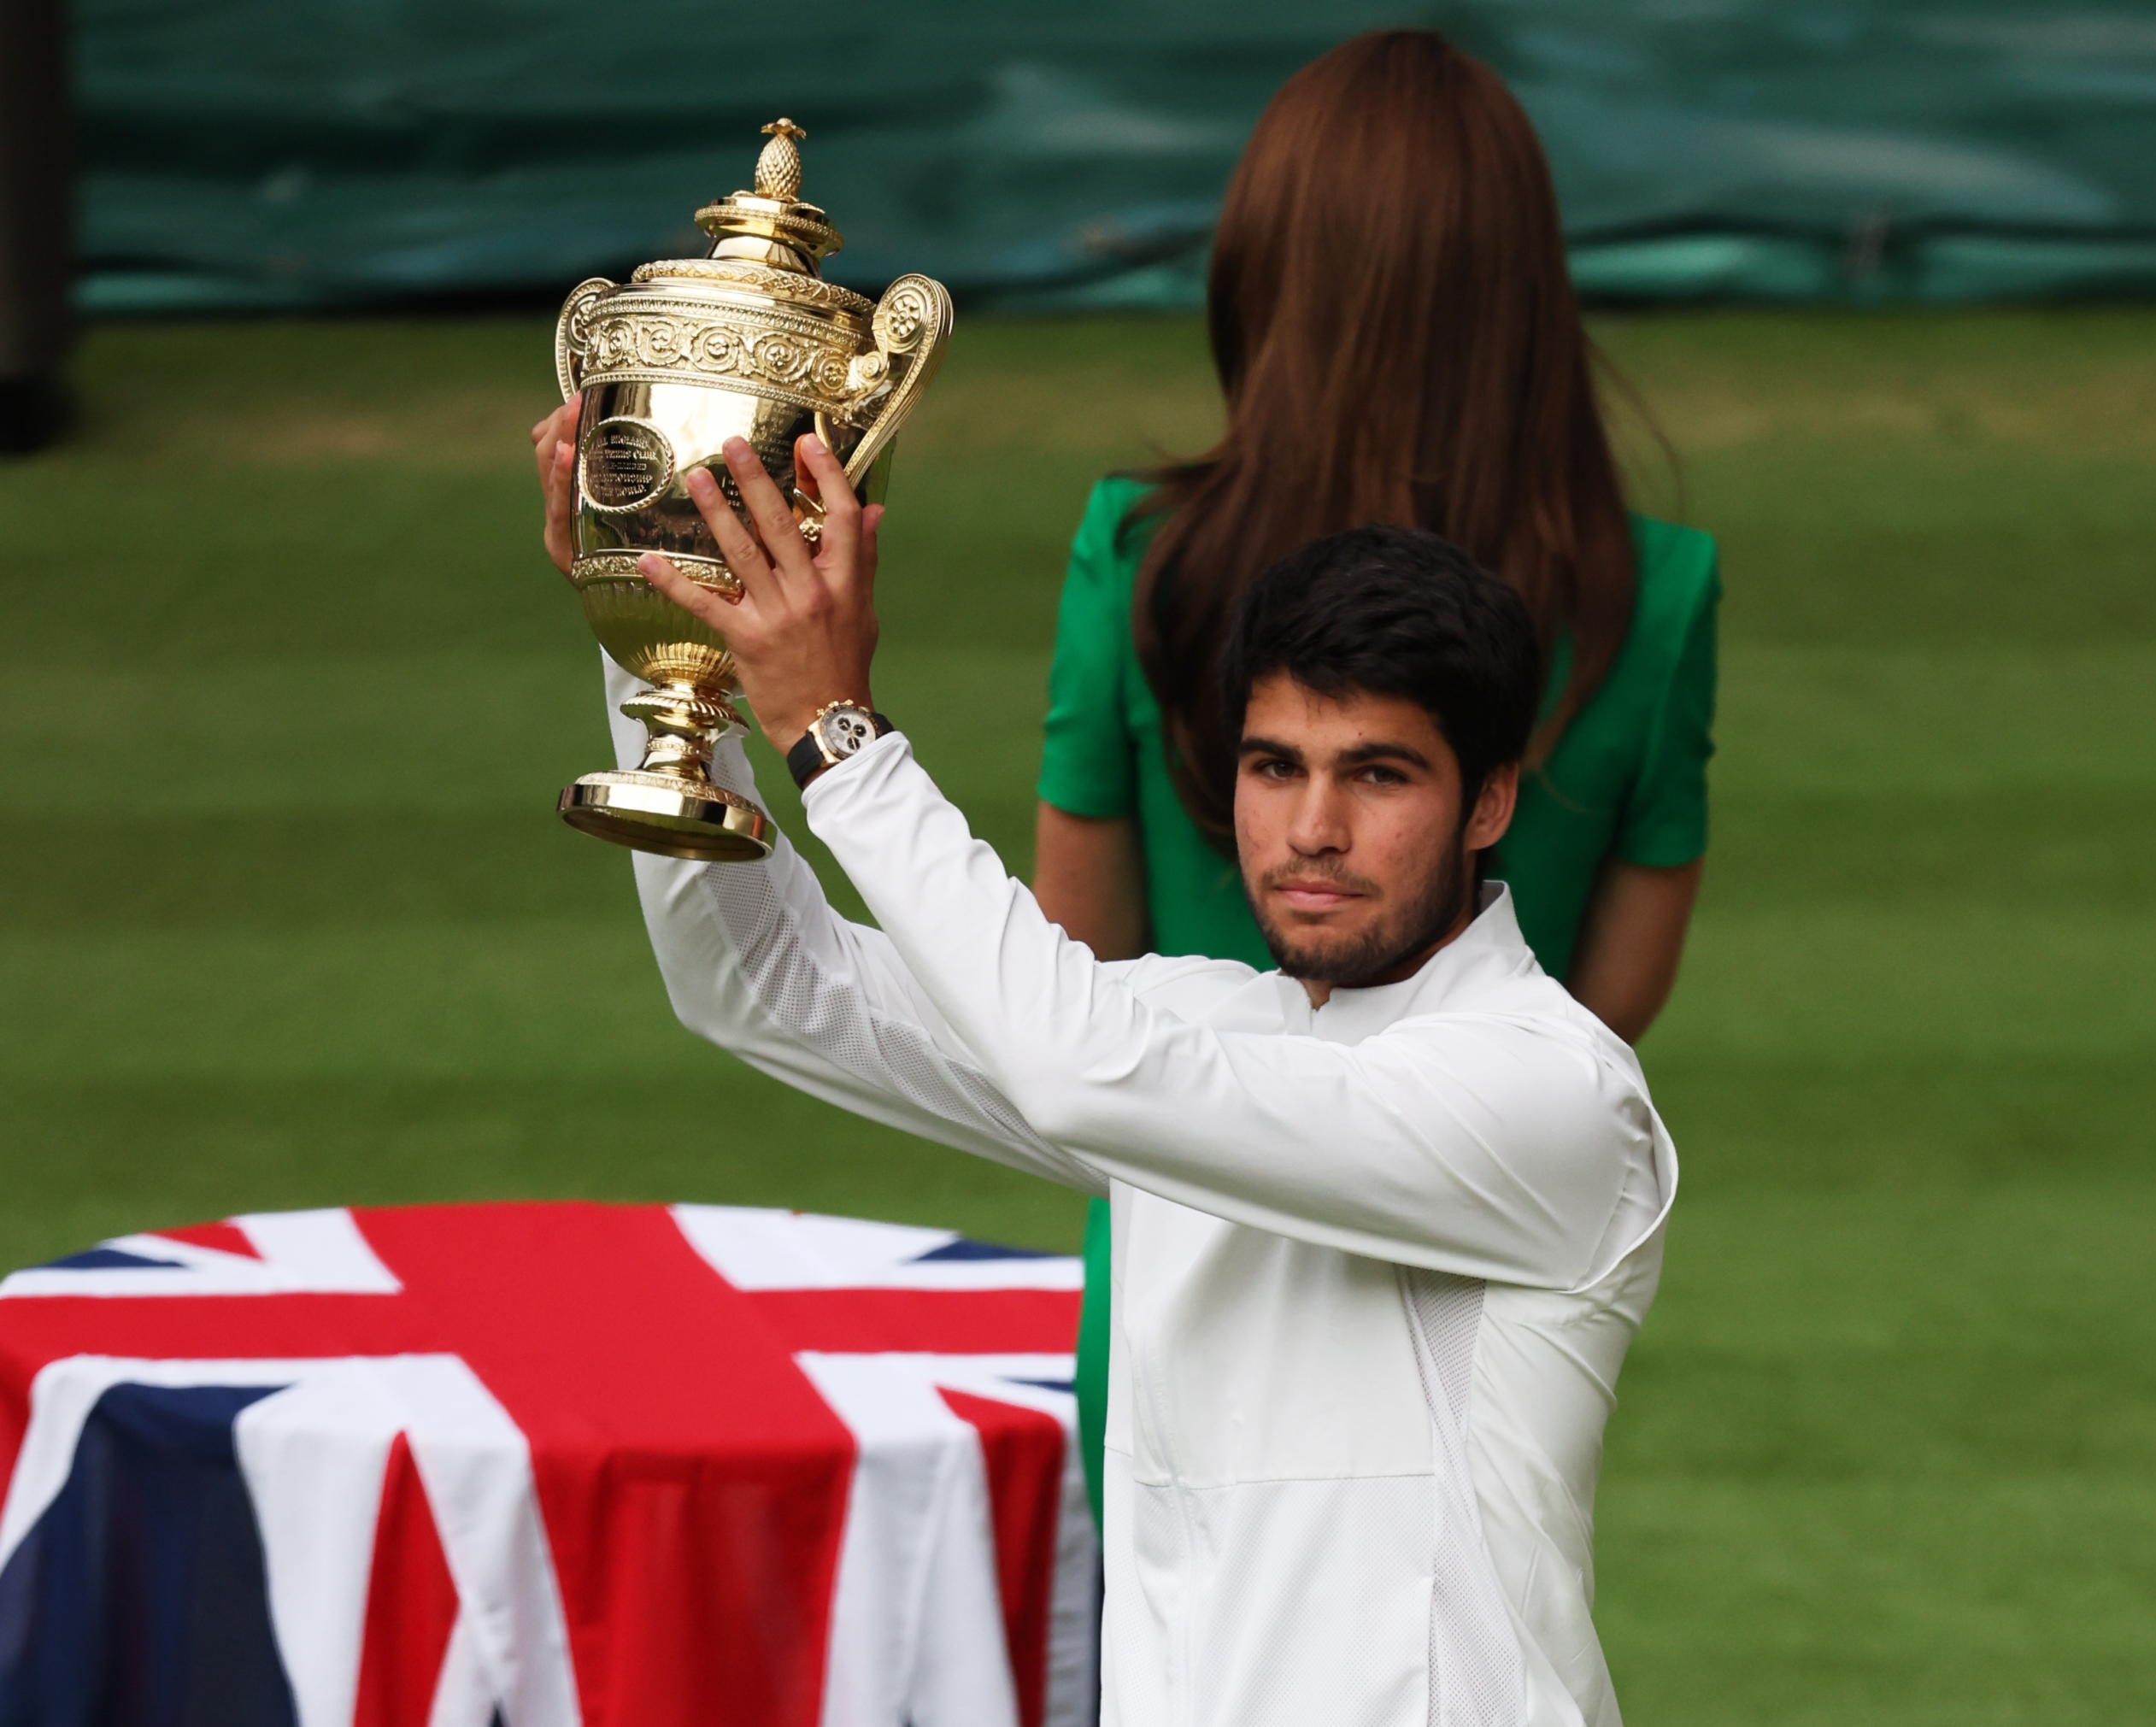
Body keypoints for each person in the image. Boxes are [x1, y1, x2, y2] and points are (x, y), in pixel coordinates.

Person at [592, 426, 1674, 1724]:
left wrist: (840, 740)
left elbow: (1080, 1073)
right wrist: (665, 633)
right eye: (1275, 767)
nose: (1313, 829)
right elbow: (765, 979)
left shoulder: (1552, 1092)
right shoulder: (1196, 1039)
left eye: (1378, 774)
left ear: (1488, 802)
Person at [1031, 29, 1720, 1510]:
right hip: (1465, 1312)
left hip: (1175, 1298)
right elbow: (1605, 1008)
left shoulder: (1138, 554)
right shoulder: (1654, 592)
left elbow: (1075, 967)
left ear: (1265, 273)